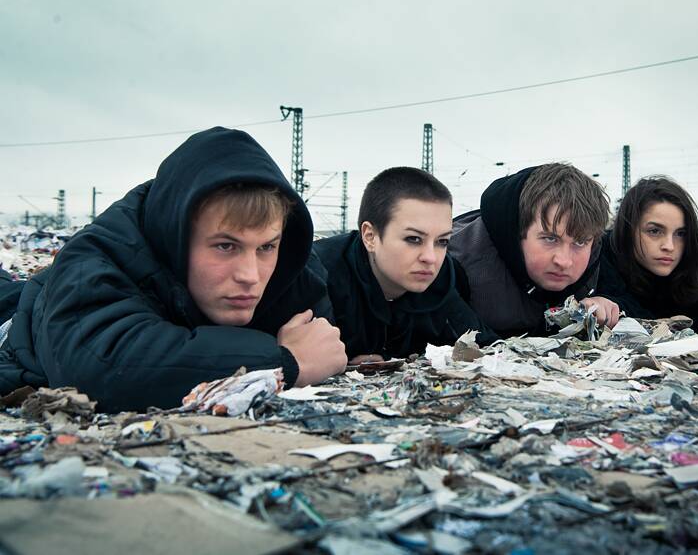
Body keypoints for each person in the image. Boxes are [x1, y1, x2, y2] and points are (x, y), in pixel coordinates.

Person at [0, 127, 347, 412]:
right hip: (18, 316)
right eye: (226, 246)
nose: (250, 274)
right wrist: (282, 361)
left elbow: (321, 338)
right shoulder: (95, 259)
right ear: (176, 236)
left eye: (266, 247)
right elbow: (100, 366)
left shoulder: (290, 265)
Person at [312, 167, 491, 360]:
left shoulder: (442, 278)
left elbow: (487, 347)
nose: (431, 257)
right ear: (370, 236)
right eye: (413, 239)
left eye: (442, 241)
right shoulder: (319, 273)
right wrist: (340, 366)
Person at [449, 163, 618, 336]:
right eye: (550, 239)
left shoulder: (600, 259)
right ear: (516, 233)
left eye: (580, 242)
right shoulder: (453, 266)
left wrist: (602, 304)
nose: (564, 261)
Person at [596, 176, 698, 327]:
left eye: (680, 234)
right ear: (628, 230)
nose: (669, 246)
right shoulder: (595, 267)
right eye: (655, 231)